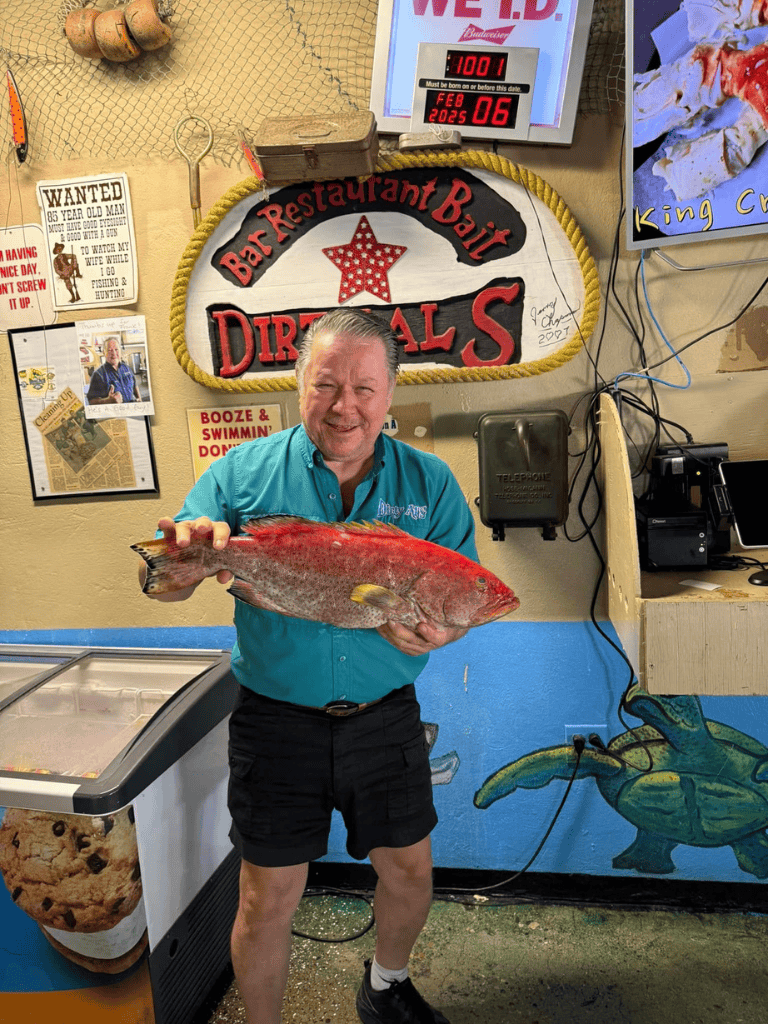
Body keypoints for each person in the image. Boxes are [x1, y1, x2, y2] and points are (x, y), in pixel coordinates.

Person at [139, 308, 478, 1024]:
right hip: (275, 722)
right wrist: (180, 555)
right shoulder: (241, 475)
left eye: (364, 387)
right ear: (299, 386)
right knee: (266, 895)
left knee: (410, 870)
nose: (344, 406)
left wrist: (438, 636)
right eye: (326, 385)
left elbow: (459, 599)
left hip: (385, 720)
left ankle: (386, 986)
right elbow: (162, 578)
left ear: (390, 391)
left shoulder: (432, 483)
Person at [87, 336, 141, 405]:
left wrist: (139, 399)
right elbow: (91, 401)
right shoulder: (98, 374)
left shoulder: (126, 368)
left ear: (120, 351)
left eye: (116, 349)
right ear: (104, 352)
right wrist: (107, 401)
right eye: (110, 350)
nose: (114, 353)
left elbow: (135, 385)